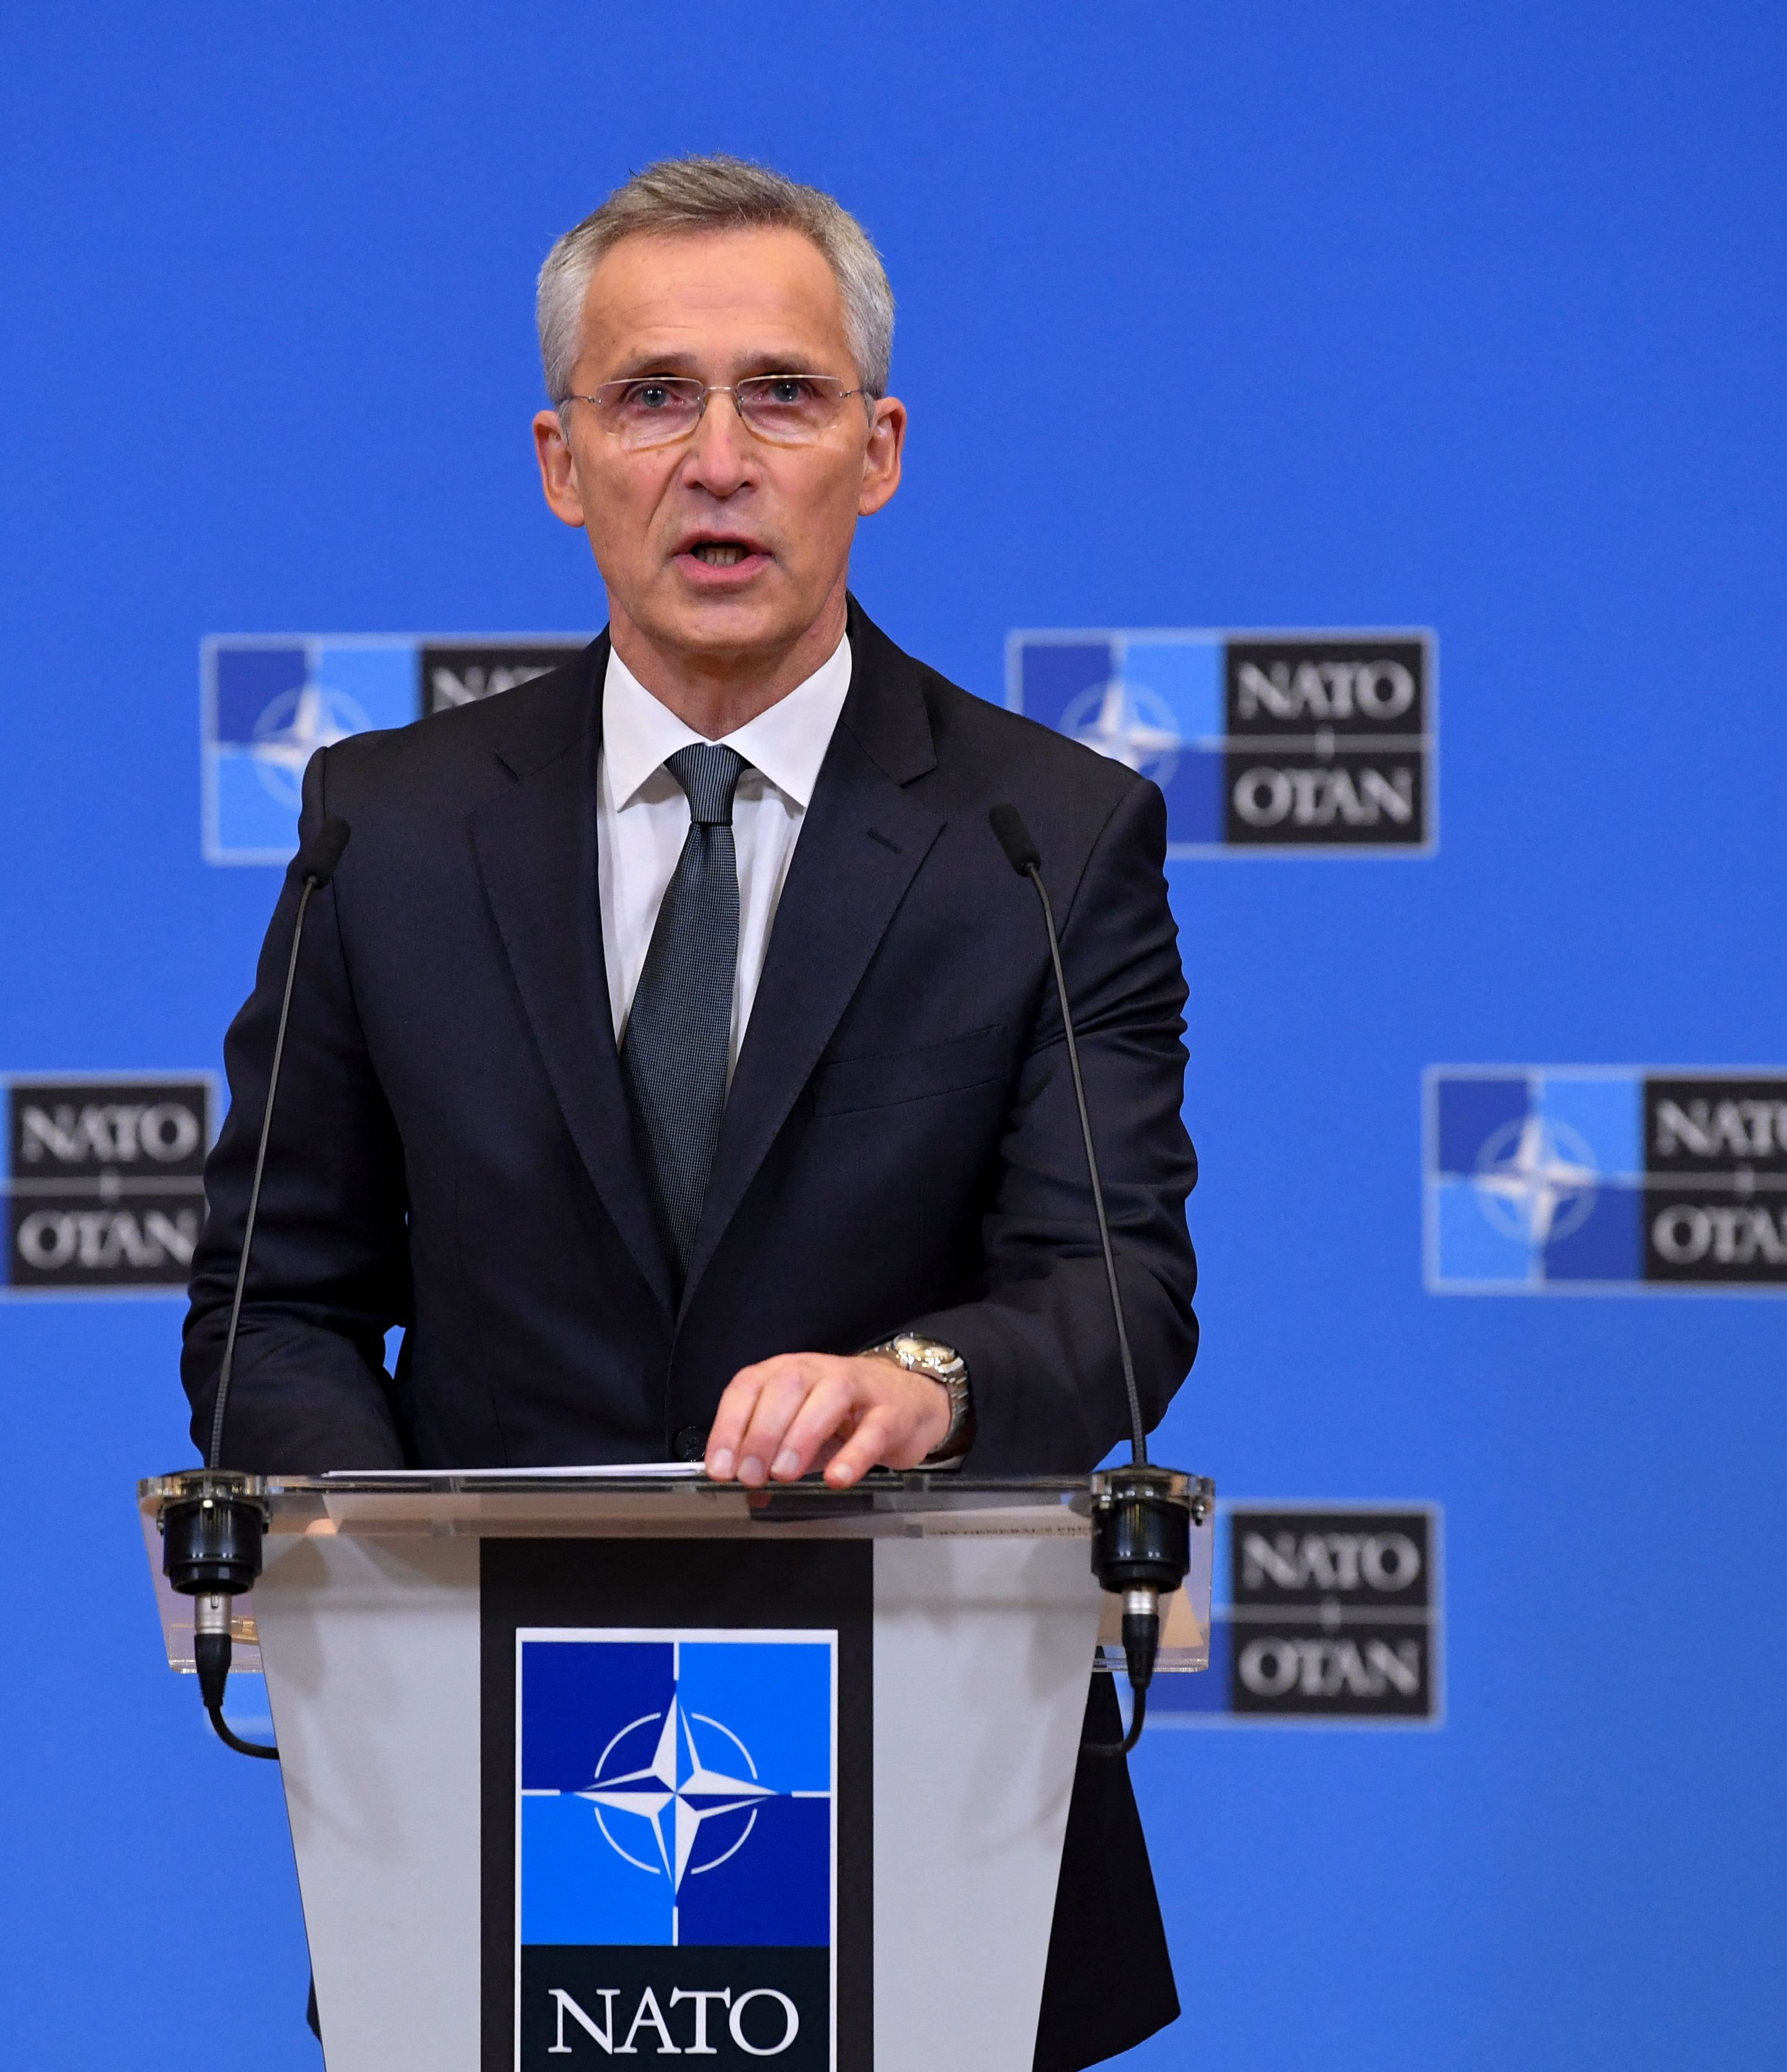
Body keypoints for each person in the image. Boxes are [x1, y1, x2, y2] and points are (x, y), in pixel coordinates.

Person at [181, 155, 1198, 2070]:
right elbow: (268, 1305)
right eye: (654, 397)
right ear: (562, 459)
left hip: (931, 1787)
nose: (715, 457)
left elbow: (1113, 1293)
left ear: (876, 450)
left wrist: (927, 1375)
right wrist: (411, 1585)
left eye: (781, 395)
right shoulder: (382, 830)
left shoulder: (1044, 839)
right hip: (488, 1794)